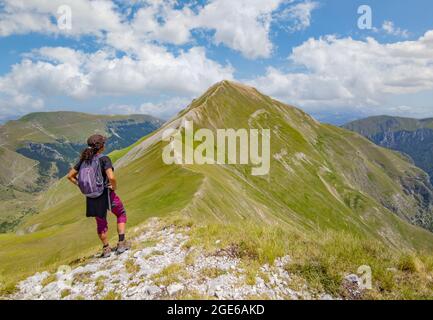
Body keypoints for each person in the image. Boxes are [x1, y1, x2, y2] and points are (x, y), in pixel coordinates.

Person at [67, 134, 130, 258]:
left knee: (101, 223)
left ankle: (106, 248)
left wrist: (80, 185)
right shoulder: (104, 159)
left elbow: (70, 176)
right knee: (121, 213)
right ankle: (121, 243)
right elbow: (111, 177)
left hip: (92, 197)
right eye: (104, 143)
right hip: (106, 194)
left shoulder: (83, 161)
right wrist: (114, 186)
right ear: (101, 146)